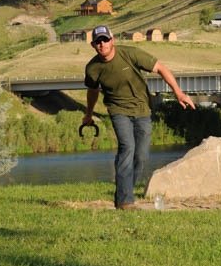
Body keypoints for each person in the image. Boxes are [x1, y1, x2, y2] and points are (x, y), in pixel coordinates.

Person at [82, 25, 195, 209]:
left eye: (105, 40)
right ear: (93, 45)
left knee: (141, 156)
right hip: (118, 110)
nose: (102, 44)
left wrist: (179, 93)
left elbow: (161, 68)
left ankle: (125, 192)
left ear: (112, 40)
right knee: (127, 147)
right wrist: (88, 114)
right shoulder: (93, 68)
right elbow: (92, 92)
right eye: (98, 41)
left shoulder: (131, 54)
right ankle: (125, 201)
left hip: (142, 109)